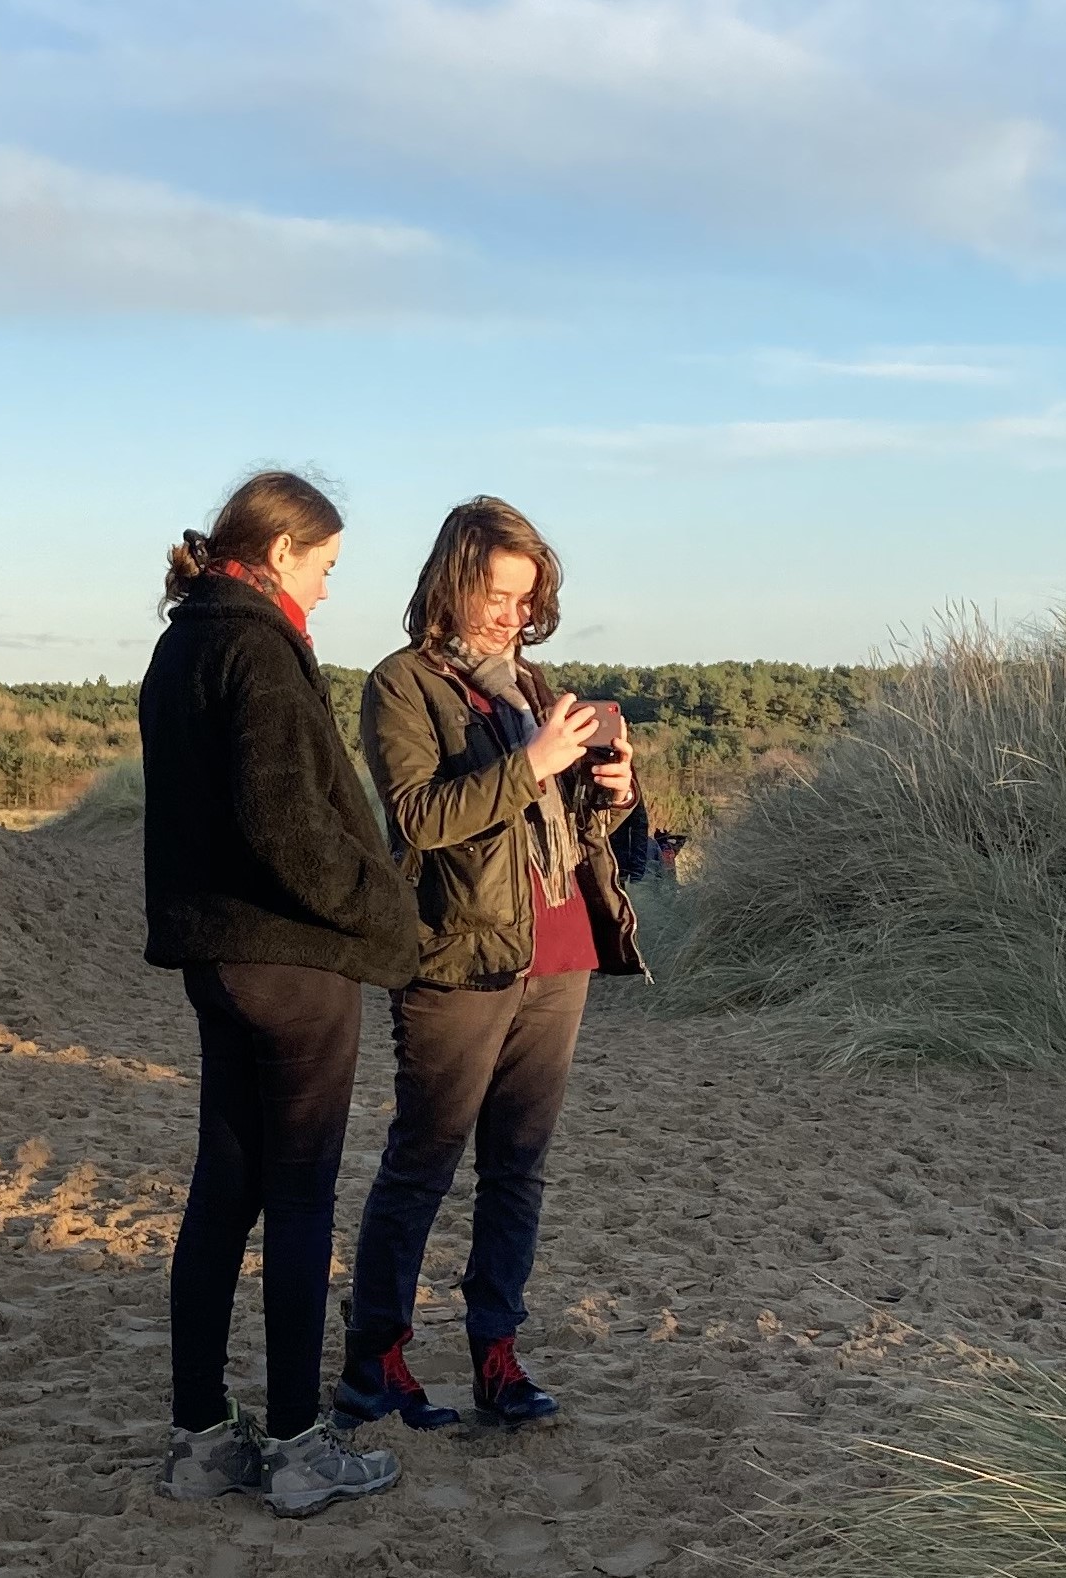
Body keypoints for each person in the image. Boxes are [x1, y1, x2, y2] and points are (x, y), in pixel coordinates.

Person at [334, 496, 643, 1436]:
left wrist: (614, 792)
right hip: (458, 958)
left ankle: (497, 1356)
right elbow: (420, 819)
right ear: (452, 583)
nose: (512, 615)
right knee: (423, 1162)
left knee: (519, 1168)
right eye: (496, 594)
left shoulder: (533, 688)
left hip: (560, 949)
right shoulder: (400, 684)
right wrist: (534, 763)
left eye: (526, 597)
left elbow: (566, 825)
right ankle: (376, 1362)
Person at [142, 471, 419, 1517]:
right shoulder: (257, 647)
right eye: (326, 566)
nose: (330, 588)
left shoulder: (182, 642)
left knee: (224, 1191)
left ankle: (201, 1438)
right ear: (279, 551)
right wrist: (387, 915)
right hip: (290, 966)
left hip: (217, 960)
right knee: (300, 1198)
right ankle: (301, 1449)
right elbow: (289, 829)